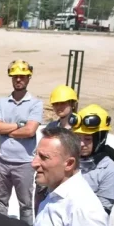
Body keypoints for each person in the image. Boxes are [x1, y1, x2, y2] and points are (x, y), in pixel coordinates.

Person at [0, 60, 44, 225]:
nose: (18, 80)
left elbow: (30, 131)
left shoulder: (35, 103)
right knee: (0, 201)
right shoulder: (1, 102)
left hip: (24, 163)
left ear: (28, 78)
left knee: (26, 205)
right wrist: (18, 126)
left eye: (22, 76)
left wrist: (8, 131)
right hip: (2, 161)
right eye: (15, 77)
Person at [34, 85, 78, 213]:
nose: (59, 107)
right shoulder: (52, 126)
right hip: (50, 176)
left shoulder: (79, 129)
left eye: (62, 103)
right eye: (56, 104)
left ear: (72, 104)